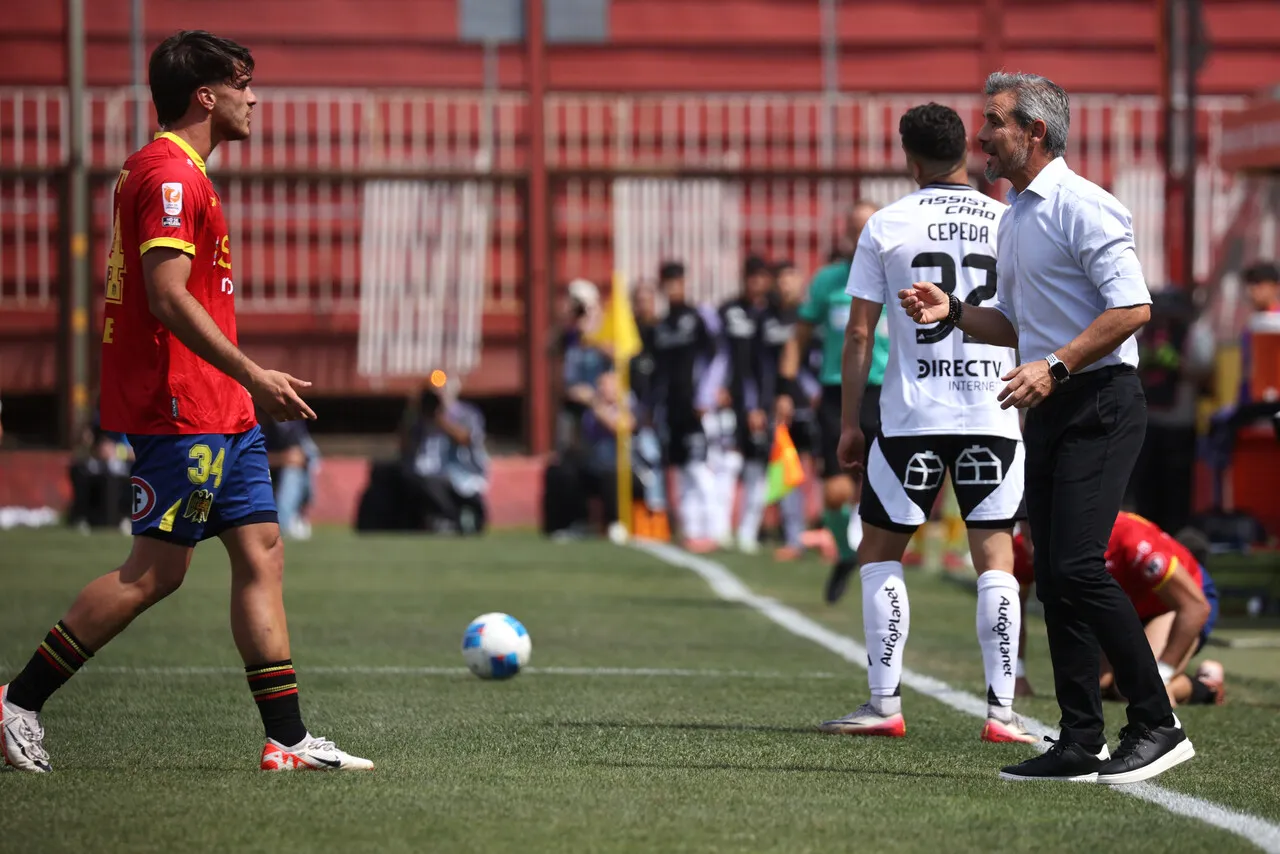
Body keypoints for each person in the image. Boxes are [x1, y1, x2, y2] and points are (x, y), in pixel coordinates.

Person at [0, 31, 371, 773]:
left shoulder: (183, 173)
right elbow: (166, 299)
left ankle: (288, 740)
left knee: (262, 551)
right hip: (184, 405)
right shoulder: (170, 176)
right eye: (243, 82)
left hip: (222, 406)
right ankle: (17, 702)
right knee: (154, 575)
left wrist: (242, 386)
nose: (254, 97)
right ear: (207, 94)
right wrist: (256, 372)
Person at [902, 71, 1191, 785]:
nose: (981, 136)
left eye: (994, 121)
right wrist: (956, 313)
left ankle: (1158, 723)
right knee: (1054, 580)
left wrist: (1055, 368)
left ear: (1034, 132)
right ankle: (1080, 738)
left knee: (1075, 568)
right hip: (1055, 402)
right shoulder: (1017, 215)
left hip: (1100, 401)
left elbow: (1133, 309)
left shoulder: (1083, 206)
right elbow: (1017, 324)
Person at [818, 103, 1033, 744]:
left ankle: (884, 702)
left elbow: (859, 333)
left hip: (913, 412)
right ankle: (1002, 712)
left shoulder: (888, 223)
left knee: (880, 550)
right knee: (995, 555)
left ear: (909, 158)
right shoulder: (1008, 218)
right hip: (994, 408)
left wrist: (850, 422)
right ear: (967, 149)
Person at [777, 203, 890, 602]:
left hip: (886, 393)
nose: (860, 238)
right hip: (837, 394)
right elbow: (798, 338)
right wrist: (786, 389)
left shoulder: (898, 276)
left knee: (883, 493)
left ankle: (879, 568)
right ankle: (846, 554)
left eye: (867, 228)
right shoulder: (827, 282)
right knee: (836, 493)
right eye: (854, 229)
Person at [1012, 515, 1225, 708]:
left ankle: (1206, 686)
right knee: (1096, 684)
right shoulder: (1025, 547)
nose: (1031, 550)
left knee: (1137, 688)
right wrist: (1017, 674)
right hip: (1129, 608)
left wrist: (1162, 676)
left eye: (1038, 539)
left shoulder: (1129, 539)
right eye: (1028, 537)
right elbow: (1014, 608)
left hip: (1177, 604)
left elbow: (1195, 607)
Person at [649, 261, 719, 551]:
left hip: (696, 408)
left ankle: (714, 530)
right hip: (672, 408)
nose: (672, 287)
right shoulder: (662, 326)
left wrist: (707, 395)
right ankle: (691, 531)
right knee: (680, 469)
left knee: (699, 468)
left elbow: (718, 356)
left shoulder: (699, 316)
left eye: (676, 281)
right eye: (667, 282)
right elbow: (659, 373)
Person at [716, 255, 777, 553]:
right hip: (727, 402)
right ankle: (719, 527)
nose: (755, 281)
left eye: (761, 275)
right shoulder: (728, 311)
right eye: (751, 275)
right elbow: (717, 356)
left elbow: (764, 367)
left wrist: (758, 406)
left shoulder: (771, 315)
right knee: (725, 463)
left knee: (756, 466)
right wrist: (717, 388)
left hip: (758, 405)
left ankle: (747, 530)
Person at [400, 381, 490, 535]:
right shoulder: (421, 419)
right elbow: (405, 446)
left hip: (463, 475)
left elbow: (465, 439)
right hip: (431, 477)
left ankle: (452, 517)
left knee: (432, 483)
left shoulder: (465, 413)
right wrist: (412, 412)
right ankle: (437, 519)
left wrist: (440, 419)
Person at [259, 410, 320, 540]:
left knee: (301, 466)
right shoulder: (254, 421)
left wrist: (293, 458)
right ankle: (285, 522)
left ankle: (295, 516)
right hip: (264, 471)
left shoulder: (290, 420)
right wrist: (283, 458)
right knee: (293, 469)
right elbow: (251, 457)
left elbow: (300, 454)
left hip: (288, 470)